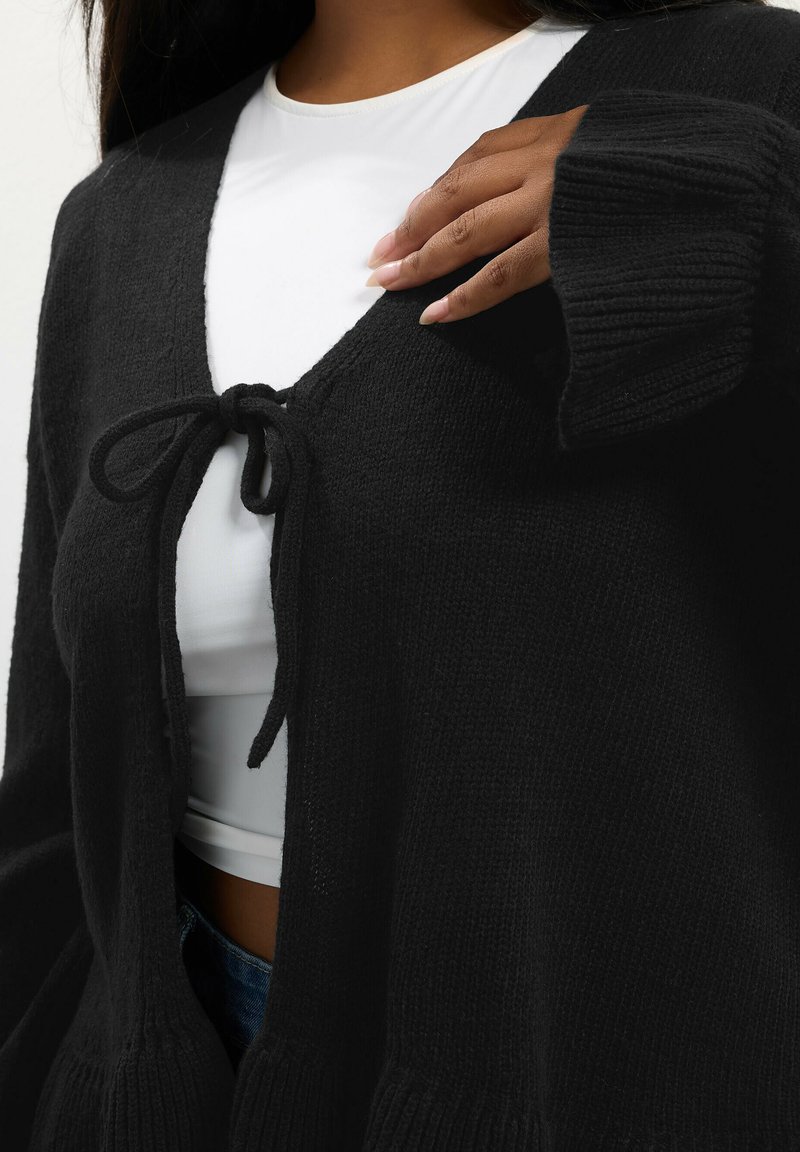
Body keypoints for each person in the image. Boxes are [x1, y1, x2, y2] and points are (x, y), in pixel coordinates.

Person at [4, 0, 800, 1147]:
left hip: (596, 1084)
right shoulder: (119, 215)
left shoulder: (740, 86)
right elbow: (51, 793)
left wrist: (745, 215)